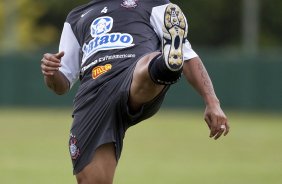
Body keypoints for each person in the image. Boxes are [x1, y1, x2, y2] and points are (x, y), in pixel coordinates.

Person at [41, 0, 230, 184]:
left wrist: (212, 102)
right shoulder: (76, 18)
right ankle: (163, 63)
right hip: (92, 97)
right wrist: (51, 73)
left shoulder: (154, 4)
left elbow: (189, 58)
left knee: (146, 66)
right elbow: (61, 85)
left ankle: (165, 64)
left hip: (131, 72)